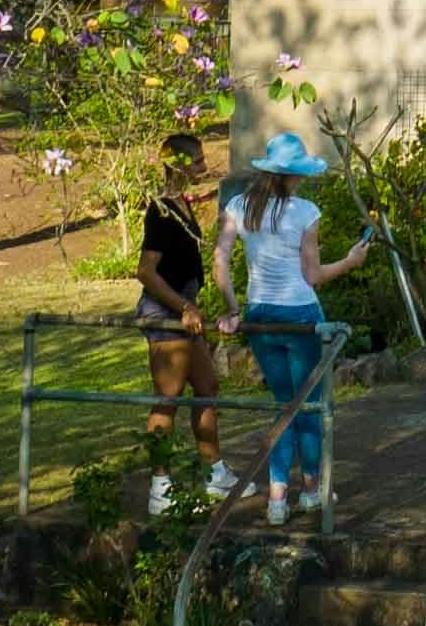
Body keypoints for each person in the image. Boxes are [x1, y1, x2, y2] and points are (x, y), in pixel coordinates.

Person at [225, 128, 370, 522]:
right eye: (300, 173)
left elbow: (220, 261)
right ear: (290, 175)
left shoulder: (239, 206)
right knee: (308, 405)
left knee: (282, 405)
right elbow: (314, 277)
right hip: (301, 315)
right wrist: (351, 261)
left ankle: (276, 498)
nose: (304, 179)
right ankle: (310, 490)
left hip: (260, 315)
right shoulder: (306, 212)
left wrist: (232, 307)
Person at [134, 130, 225, 509]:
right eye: (199, 161)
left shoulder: (184, 205)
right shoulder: (161, 210)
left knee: (207, 387)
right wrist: (182, 307)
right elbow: (146, 271)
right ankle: (160, 487)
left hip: (187, 308)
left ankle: (213, 471)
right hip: (165, 312)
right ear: (181, 164)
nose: (205, 166)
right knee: (167, 398)